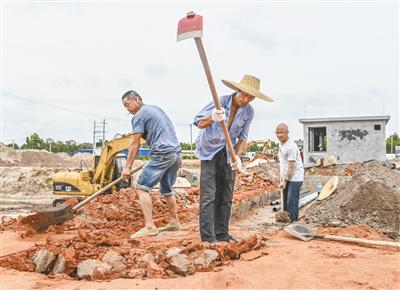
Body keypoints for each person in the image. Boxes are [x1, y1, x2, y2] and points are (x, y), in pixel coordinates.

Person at [193, 74, 273, 243]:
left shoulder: (249, 112)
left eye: (251, 97)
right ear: (237, 90)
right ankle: (208, 238)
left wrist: (238, 157)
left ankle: (222, 234)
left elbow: (243, 138)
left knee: (226, 195)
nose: (246, 100)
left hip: (228, 153)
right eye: (244, 95)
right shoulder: (220, 102)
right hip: (209, 151)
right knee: (209, 196)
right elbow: (198, 122)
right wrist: (212, 118)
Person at [121, 90, 182, 239]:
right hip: (176, 153)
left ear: (136, 99)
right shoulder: (155, 109)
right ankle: (174, 222)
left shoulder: (139, 116)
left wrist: (127, 167)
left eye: (127, 105)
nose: (127, 109)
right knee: (167, 188)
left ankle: (149, 226)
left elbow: (135, 144)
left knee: (141, 187)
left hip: (162, 153)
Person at [275, 123, 304, 222]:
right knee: (285, 201)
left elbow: (292, 166)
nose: (280, 135)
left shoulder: (291, 146)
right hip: (286, 176)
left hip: (295, 177)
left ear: (287, 133)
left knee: (292, 201)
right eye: (277, 133)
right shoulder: (281, 144)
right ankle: (286, 221)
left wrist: (285, 181)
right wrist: (282, 178)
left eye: (282, 132)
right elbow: (283, 162)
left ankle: (293, 222)